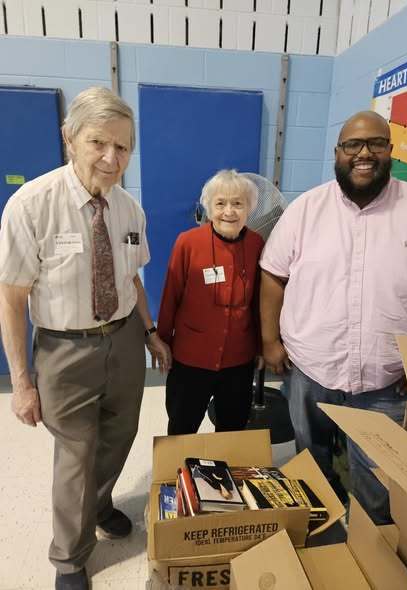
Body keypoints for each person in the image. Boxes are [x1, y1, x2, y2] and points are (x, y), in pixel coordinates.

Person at [0, 87, 171, 590]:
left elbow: (133, 280)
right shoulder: (31, 206)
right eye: (99, 143)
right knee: (76, 452)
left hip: (123, 340)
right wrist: (22, 382)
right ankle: (69, 558)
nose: (111, 158)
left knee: (119, 435)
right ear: (68, 138)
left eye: (122, 148)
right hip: (64, 350)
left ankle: (99, 505)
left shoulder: (128, 210)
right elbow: (11, 300)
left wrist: (152, 331)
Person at [260, 110, 407, 524]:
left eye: (375, 144)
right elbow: (273, 274)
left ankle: (370, 546)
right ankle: (320, 521)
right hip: (310, 370)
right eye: (353, 145)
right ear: (337, 153)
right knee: (311, 458)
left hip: (388, 379)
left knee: (378, 480)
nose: (364, 153)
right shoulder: (306, 209)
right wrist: (270, 342)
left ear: (390, 151)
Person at [157, 169, 264, 434]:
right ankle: (180, 474)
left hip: (239, 360)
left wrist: (262, 347)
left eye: (238, 203)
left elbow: (260, 303)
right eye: (221, 203)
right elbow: (171, 296)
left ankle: (220, 475)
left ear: (249, 208)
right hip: (190, 358)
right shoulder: (188, 242)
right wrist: (162, 342)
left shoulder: (256, 244)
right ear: (209, 207)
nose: (229, 211)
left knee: (231, 429)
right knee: (182, 427)